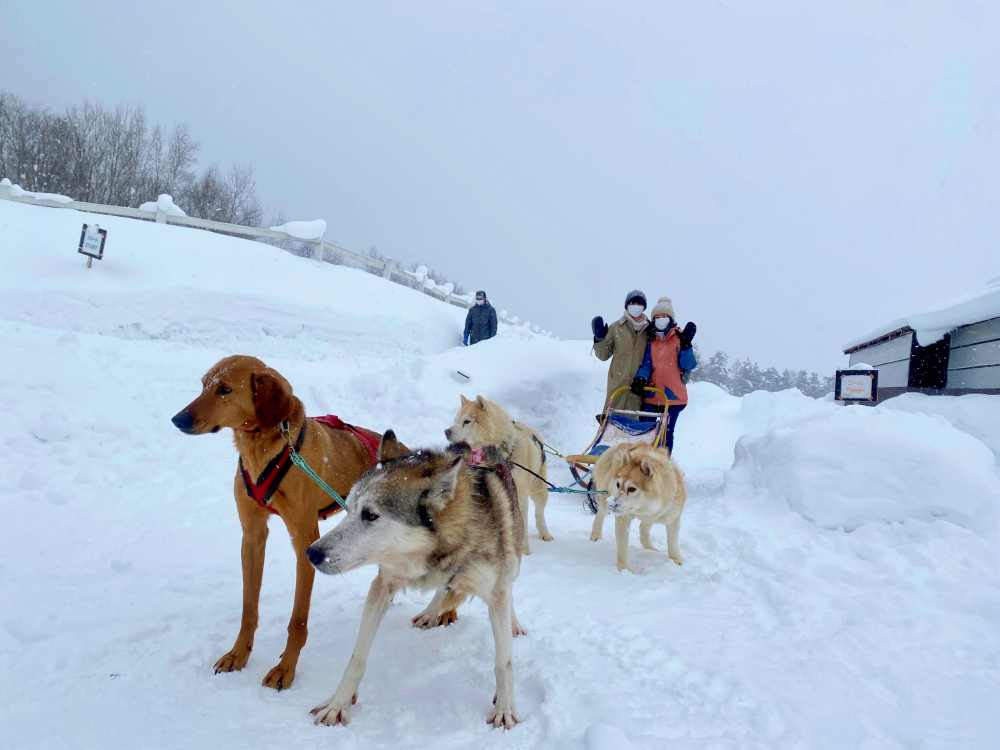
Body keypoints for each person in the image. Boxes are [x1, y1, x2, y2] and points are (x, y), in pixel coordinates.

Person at [630, 297, 697, 454]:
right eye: (657, 317)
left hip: (672, 398)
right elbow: (647, 364)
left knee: (665, 434)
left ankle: (662, 465)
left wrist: (686, 346)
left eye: (664, 317)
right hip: (652, 395)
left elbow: (689, 365)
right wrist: (641, 377)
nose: (660, 320)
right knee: (646, 434)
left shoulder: (680, 338)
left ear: (670, 318)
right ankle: (644, 464)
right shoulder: (651, 340)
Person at [592, 290, 651, 413]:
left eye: (639, 303)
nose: (636, 306)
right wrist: (599, 340)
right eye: (633, 303)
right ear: (627, 306)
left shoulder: (650, 330)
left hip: (639, 389)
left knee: (634, 429)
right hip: (617, 388)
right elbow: (603, 355)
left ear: (644, 307)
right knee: (610, 427)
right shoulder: (616, 328)